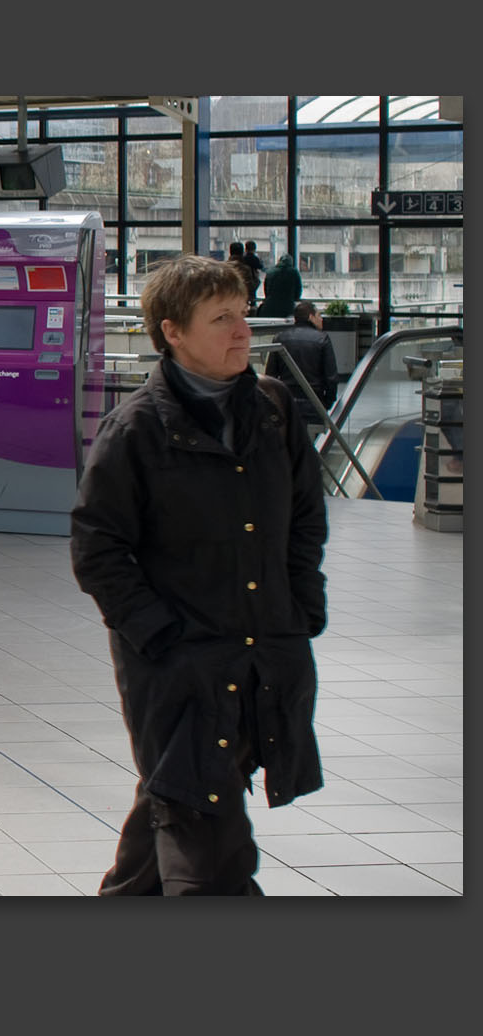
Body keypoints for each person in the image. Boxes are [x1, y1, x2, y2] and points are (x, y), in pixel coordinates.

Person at [71, 255, 327, 896]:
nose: (242, 330)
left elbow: (304, 519)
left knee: (175, 801)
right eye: (221, 319)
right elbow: (98, 547)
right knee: (211, 850)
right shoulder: (135, 430)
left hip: (265, 653)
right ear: (173, 332)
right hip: (180, 665)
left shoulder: (273, 411)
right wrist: (159, 638)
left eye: (242, 315)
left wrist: (301, 609)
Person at [267, 301, 339, 427]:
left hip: (286, 401)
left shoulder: (280, 338)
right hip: (314, 402)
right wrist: (327, 403)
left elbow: (270, 375)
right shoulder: (322, 339)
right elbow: (331, 377)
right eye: (319, 315)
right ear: (311, 317)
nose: (321, 319)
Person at [256, 252, 301, 324]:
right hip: (287, 308)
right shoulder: (294, 272)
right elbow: (298, 291)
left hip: (269, 307)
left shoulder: (270, 271)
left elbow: (266, 291)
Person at [226, 242, 260, 309]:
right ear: (242, 253)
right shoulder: (245, 269)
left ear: (230, 252)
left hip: (227, 301)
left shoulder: (223, 268)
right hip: (242, 302)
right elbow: (251, 287)